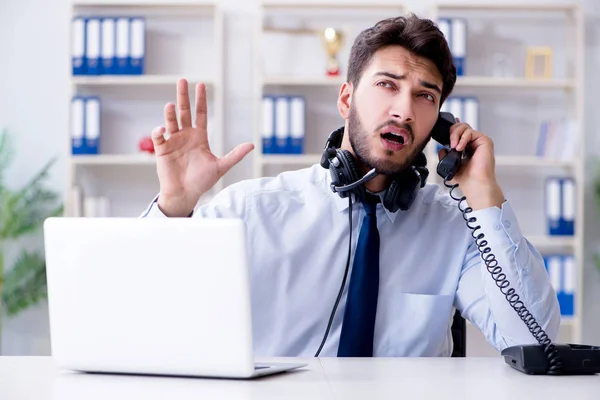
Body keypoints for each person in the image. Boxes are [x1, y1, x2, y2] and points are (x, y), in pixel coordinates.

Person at [141, 14, 560, 357]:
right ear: (346, 99)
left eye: (425, 97)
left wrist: (486, 194)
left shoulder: (455, 226)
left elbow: (534, 342)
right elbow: (151, 306)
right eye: (387, 85)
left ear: (440, 123)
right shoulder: (254, 209)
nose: (404, 110)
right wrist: (174, 208)